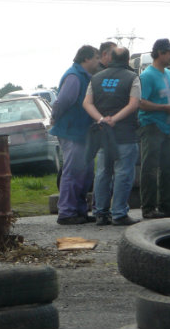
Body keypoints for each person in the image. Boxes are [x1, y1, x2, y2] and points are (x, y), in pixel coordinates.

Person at [82, 47, 141, 226]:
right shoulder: (132, 77)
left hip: (103, 135)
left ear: (111, 58)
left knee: (103, 173)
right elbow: (134, 104)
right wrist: (113, 119)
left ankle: (100, 213)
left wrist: (101, 119)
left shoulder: (97, 78)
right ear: (127, 59)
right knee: (123, 173)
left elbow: (86, 102)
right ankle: (119, 213)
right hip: (125, 134)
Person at [50, 45, 100, 225]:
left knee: (84, 173)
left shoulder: (85, 76)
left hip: (80, 132)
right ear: (86, 59)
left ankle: (79, 211)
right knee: (72, 172)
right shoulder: (74, 77)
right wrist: (54, 119)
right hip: (71, 131)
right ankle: (66, 212)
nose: (98, 61)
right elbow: (62, 102)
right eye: (96, 57)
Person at [138, 38, 170, 219]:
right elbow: (141, 102)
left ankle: (166, 206)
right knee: (149, 168)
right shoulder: (147, 76)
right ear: (160, 53)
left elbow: (164, 97)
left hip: (166, 127)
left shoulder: (166, 74)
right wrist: (164, 108)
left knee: (168, 167)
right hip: (151, 126)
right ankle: (148, 208)